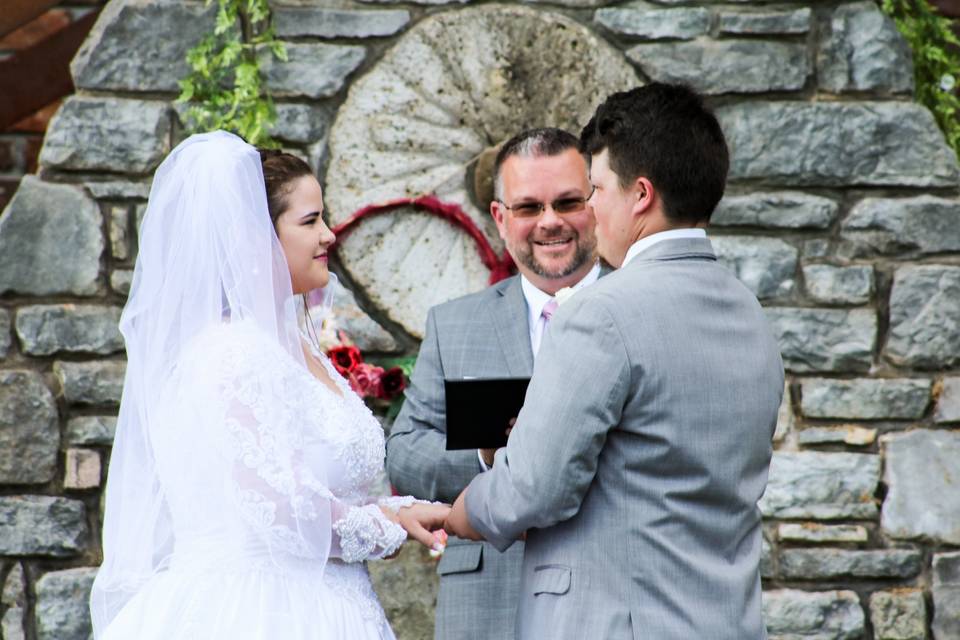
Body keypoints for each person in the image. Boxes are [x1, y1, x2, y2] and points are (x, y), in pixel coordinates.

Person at [444, 83, 785, 639]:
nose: (593, 208)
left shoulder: (601, 312)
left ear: (641, 195)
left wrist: (467, 510)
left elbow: (533, 487)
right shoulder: (749, 312)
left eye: (596, 188)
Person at [89, 131, 449, 640]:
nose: (329, 235)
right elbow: (283, 511)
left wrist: (398, 511)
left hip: (332, 603)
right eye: (310, 221)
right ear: (255, 238)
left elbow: (311, 492)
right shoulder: (228, 355)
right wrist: (390, 523)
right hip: (258, 612)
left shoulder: (295, 345)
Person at [386, 128, 601, 639]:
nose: (550, 221)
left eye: (567, 202)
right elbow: (404, 455)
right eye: (529, 207)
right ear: (501, 220)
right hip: (487, 601)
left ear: (595, 204)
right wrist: (483, 458)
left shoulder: (637, 308)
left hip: (606, 595)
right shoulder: (454, 324)